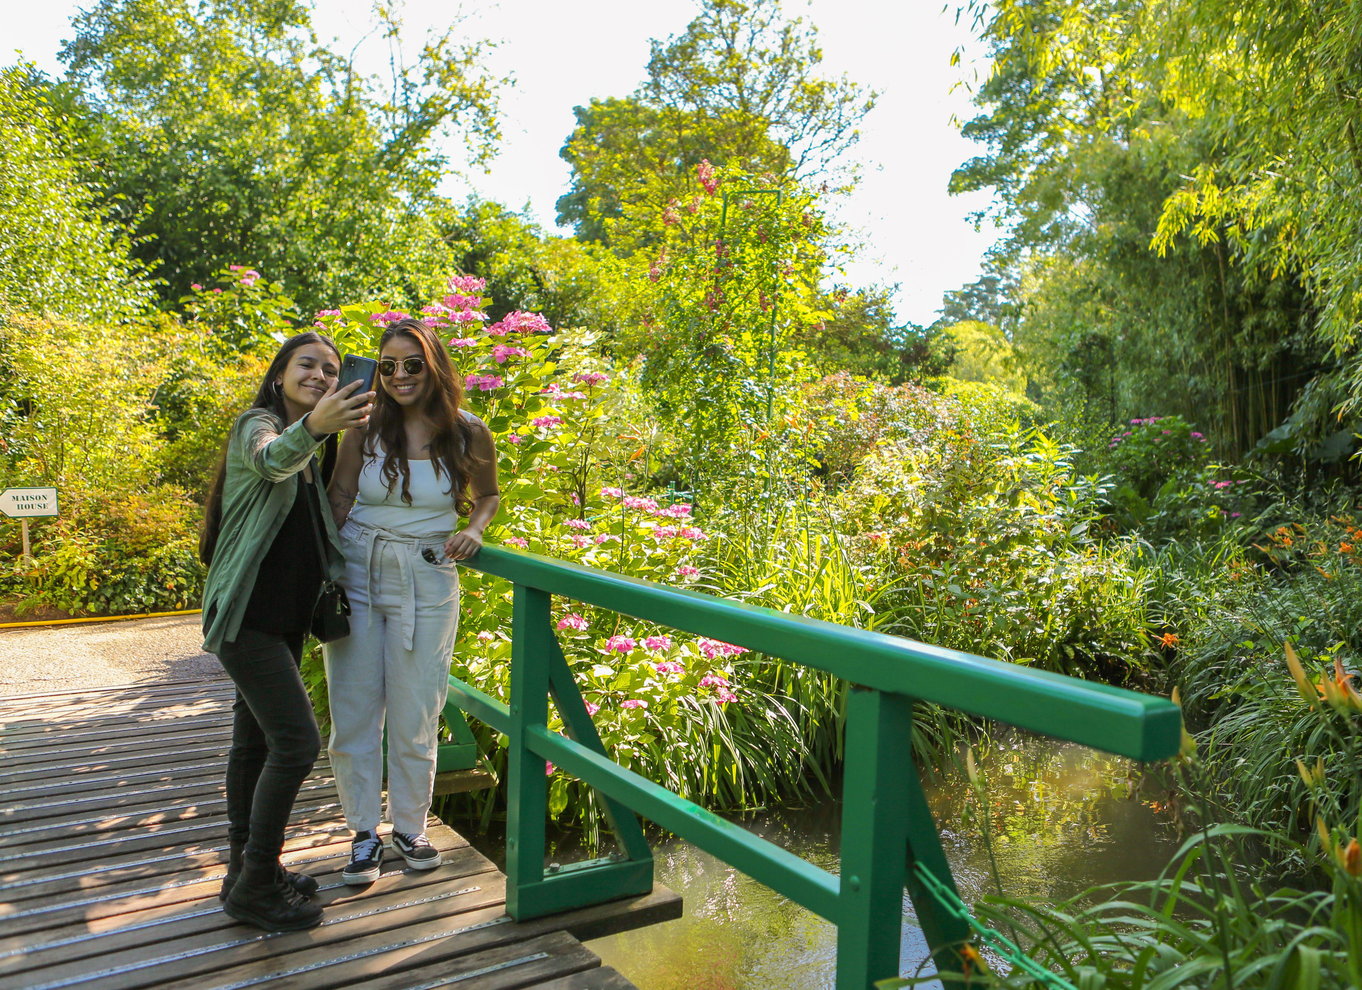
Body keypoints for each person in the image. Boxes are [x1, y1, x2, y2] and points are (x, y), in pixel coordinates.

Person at [200, 331, 375, 931]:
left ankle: (246, 870)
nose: (321, 376)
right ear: (279, 375)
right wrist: (318, 427)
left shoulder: (315, 448)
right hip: (246, 619)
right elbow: (271, 459)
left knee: (253, 745)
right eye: (308, 365)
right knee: (297, 744)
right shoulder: (260, 426)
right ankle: (255, 884)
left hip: (283, 620)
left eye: (331, 370)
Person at [324, 317, 500, 885]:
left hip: (428, 573)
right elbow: (341, 493)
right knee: (353, 707)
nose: (399, 375)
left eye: (412, 364)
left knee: (417, 707)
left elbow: (488, 494)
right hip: (359, 567)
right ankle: (361, 833)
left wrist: (474, 529)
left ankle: (409, 827)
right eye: (388, 366)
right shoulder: (366, 424)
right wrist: (319, 567)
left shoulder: (467, 431)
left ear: (434, 366)